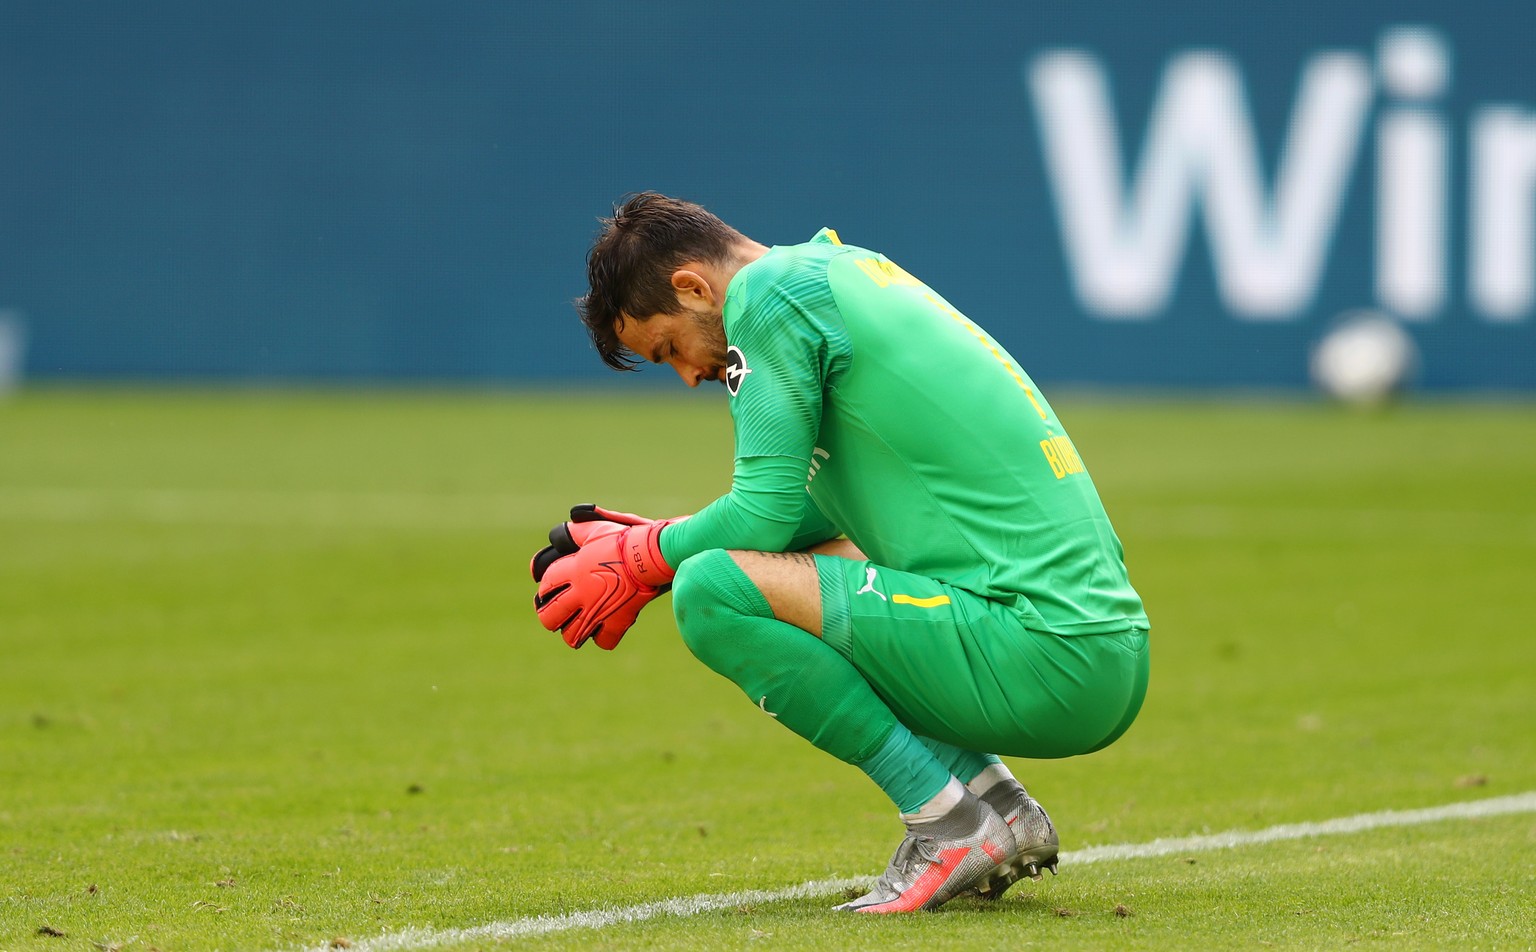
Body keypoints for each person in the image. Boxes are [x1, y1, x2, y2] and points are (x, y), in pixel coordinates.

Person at [531, 192, 1149, 913]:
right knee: (770, 568)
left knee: (710, 593)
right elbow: (806, 515)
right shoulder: (838, 268)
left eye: (669, 349)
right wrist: (659, 544)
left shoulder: (766, 298)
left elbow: (761, 516)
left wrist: (648, 554)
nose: (690, 376)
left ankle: (948, 826)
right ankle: (999, 806)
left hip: (1048, 658)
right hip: (1095, 648)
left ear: (694, 287)